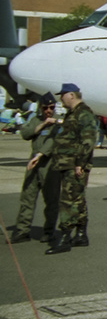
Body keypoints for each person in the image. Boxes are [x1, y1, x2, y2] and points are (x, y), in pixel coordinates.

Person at [46, 83, 97, 255]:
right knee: (78, 199)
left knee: (68, 201)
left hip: (74, 165)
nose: (61, 99)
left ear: (71, 95)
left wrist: (79, 163)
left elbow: (88, 140)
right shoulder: (74, 113)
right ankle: (81, 235)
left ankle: (64, 238)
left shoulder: (84, 114)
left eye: (63, 95)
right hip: (68, 163)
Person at [11, 94, 61, 243]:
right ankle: (23, 230)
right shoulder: (36, 120)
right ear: (40, 107)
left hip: (49, 164)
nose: (48, 111)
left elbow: (53, 142)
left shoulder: (58, 122)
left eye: (51, 108)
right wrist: (42, 125)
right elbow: (25, 134)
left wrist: (39, 155)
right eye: (45, 108)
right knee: (27, 197)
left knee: (51, 200)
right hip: (33, 164)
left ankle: (49, 231)